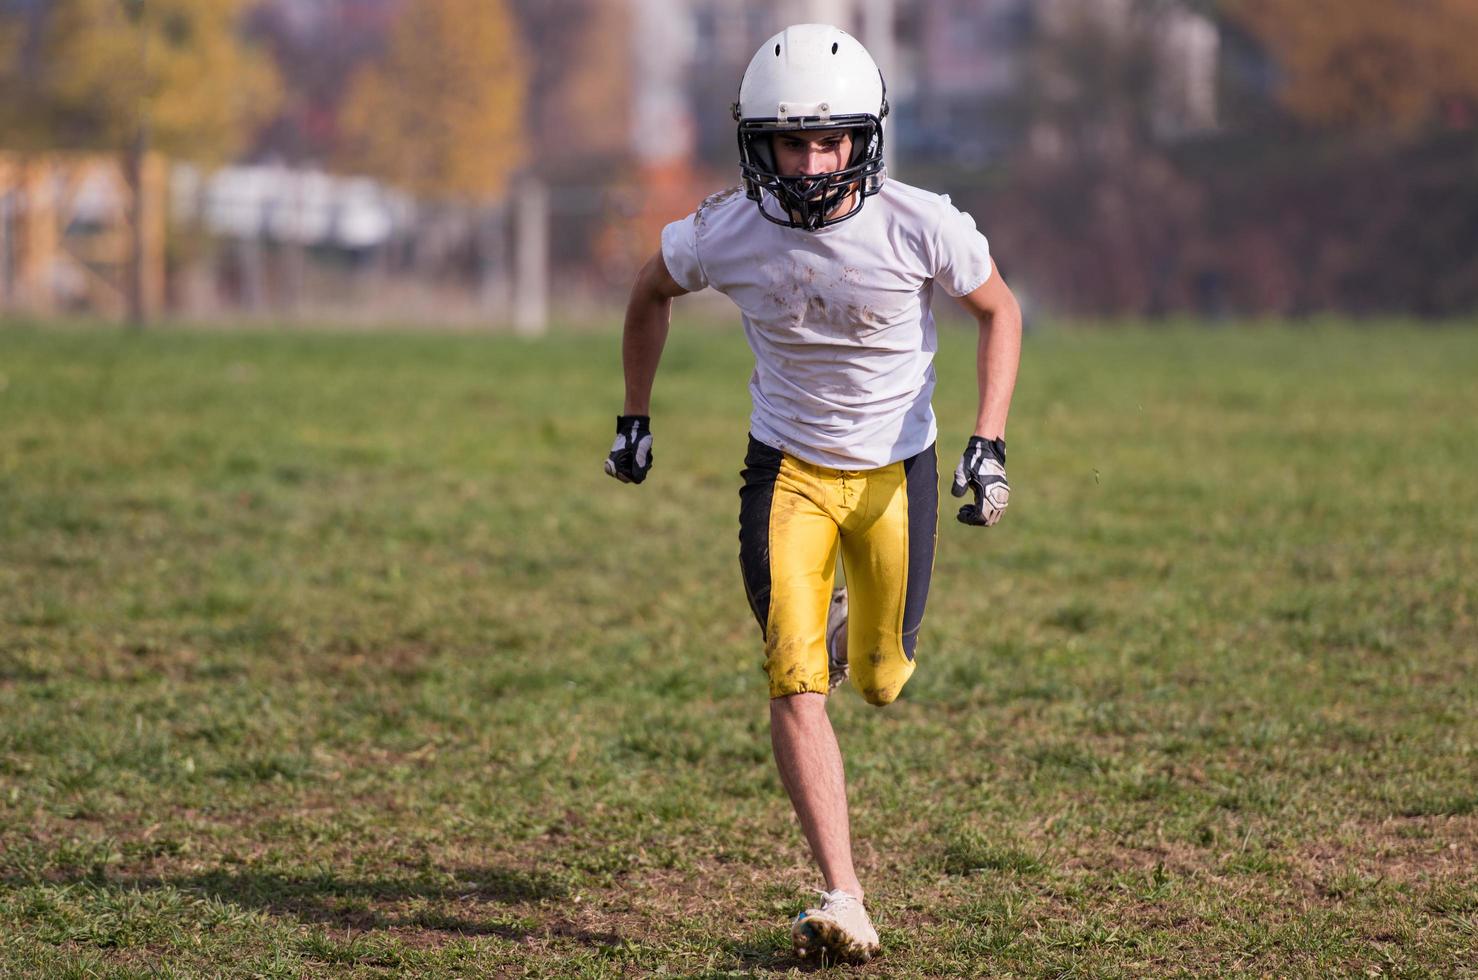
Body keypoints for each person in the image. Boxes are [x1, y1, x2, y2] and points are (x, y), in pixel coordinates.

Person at [604, 23, 1021, 965]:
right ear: (758, 145)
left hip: (895, 476)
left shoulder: (921, 222)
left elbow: (1000, 308)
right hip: (784, 473)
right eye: (792, 141)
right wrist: (635, 415)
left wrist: (986, 441)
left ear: (866, 138)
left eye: (830, 140)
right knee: (794, 680)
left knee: (880, 681)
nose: (813, 161)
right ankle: (844, 895)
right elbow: (647, 290)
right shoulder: (726, 230)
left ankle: (849, 638)